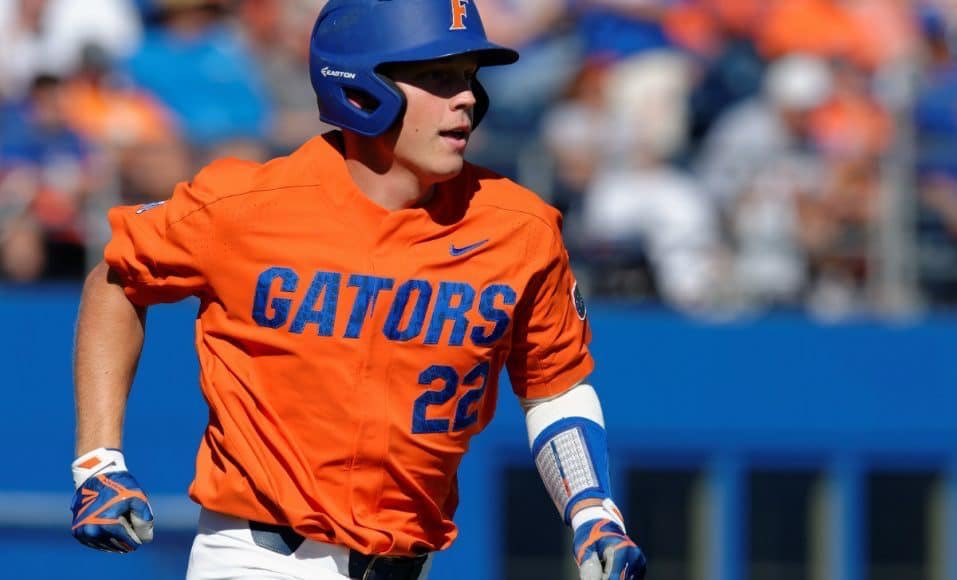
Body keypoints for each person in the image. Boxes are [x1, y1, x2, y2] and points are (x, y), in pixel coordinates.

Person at [68, 1, 647, 579]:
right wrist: (98, 462)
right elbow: (117, 279)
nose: (466, 97)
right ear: (361, 89)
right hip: (257, 558)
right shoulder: (246, 207)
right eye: (437, 77)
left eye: (469, 77)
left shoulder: (520, 228)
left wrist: (592, 509)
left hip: (403, 565)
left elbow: (553, 389)